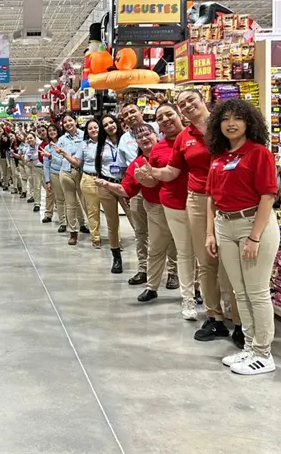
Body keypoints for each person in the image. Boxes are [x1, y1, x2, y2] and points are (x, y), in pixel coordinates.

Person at [139, 90, 243, 345]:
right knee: (205, 261)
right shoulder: (184, 138)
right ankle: (214, 317)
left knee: (231, 263)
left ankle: (240, 321)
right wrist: (153, 173)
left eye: (190, 100)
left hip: (229, 198)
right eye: (182, 103)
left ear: (202, 100)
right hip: (197, 200)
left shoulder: (224, 126)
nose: (187, 106)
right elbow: (172, 171)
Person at [205, 100, 279, 374]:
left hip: (253, 225)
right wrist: (210, 233)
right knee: (239, 292)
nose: (231, 123)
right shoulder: (219, 157)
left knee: (257, 292)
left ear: (249, 122)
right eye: (225, 118)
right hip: (225, 226)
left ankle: (263, 353)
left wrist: (255, 238)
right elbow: (211, 198)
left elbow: (268, 196)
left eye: (237, 118)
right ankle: (249, 346)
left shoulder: (259, 153)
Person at [96, 125, 178, 302]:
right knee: (155, 247)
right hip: (155, 207)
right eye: (139, 137)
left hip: (178, 205)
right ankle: (152, 286)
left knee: (182, 246)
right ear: (136, 142)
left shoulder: (171, 151)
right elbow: (126, 189)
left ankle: (186, 284)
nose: (144, 138)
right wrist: (107, 185)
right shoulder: (137, 163)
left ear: (156, 135)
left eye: (147, 134)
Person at [137, 103, 193, 319]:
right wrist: (144, 178)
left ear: (179, 114)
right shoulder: (158, 148)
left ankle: (195, 290)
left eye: (169, 114)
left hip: (195, 204)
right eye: (160, 118)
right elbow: (153, 180)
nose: (166, 120)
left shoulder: (194, 139)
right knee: (157, 247)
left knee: (190, 251)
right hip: (165, 205)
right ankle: (152, 286)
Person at [94, 114, 138, 274]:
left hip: (126, 184)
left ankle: (145, 258)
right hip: (106, 185)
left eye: (111, 122)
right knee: (112, 224)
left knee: (135, 220)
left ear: (117, 123)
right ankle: (116, 258)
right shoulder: (101, 143)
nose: (109, 126)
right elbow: (97, 164)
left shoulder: (127, 139)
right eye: (105, 125)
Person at [118, 103, 152, 285]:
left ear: (141, 112)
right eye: (126, 114)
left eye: (133, 111)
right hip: (137, 189)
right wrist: (126, 192)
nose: (130, 116)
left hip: (159, 185)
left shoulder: (156, 129)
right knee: (140, 231)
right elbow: (124, 167)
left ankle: (172, 271)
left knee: (166, 231)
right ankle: (143, 269)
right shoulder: (124, 139)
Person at [51, 113, 86, 245]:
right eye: (65, 122)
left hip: (82, 172)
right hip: (66, 172)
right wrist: (51, 156)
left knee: (86, 203)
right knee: (70, 204)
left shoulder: (85, 136)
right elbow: (59, 158)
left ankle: (93, 230)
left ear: (75, 121)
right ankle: (73, 232)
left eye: (70, 120)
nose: (68, 124)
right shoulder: (61, 139)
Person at [76, 119, 103, 247]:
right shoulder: (84, 144)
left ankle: (116, 240)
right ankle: (95, 238)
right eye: (90, 128)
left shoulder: (107, 143)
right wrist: (63, 154)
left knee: (111, 212)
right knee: (93, 211)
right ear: (87, 131)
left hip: (105, 179)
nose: (93, 130)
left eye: (95, 127)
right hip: (88, 179)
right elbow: (77, 162)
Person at [42, 124, 67, 229]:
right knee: (59, 199)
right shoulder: (47, 148)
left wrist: (52, 157)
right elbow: (46, 166)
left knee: (70, 199)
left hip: (67, 173)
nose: (52, 132)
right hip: (54, 175)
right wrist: (47, 181)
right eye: (50, 131)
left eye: (54, 130)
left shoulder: (65, 143)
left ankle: (74, 220)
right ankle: (63, 222)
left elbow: (65, 160)